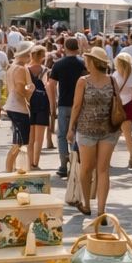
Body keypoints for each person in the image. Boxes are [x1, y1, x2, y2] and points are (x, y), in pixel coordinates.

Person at [68, 46, 120, 217]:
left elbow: (76, 106)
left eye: (87, 60)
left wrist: (70, 128)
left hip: (86, 129)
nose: (85, 62)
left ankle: (87, 204)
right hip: (109, 130)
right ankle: (101, 210)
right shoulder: (112, 81)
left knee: (86, 169)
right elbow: (117, 104)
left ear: (92, 62)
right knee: (103, 170)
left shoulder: (83, 81)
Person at [48, 37, 87, 177]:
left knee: (62, 135)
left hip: (64, 102)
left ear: (64, 47)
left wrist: (52, 103)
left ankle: (64, 164)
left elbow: (51, 84)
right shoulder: (84, 64)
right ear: (77, 47)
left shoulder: (58, 65)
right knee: (78, 134)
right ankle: (76, 161)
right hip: (81, 103)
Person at [4, 41, 36, 171]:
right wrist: (29, 94)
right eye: (29, 55)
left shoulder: (12, 67)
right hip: (18, 107)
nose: (30, 58)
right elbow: (20, 88)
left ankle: (10, 167)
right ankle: (9, 168)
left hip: (13, 105)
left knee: (18, 141)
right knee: (19, 142)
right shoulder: (21, 69)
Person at [113, 52, 132, 169]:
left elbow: (113, 90)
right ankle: (131, 156)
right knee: (128, 134)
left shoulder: (116, 74)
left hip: (117, 105)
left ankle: (107, 157)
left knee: (113, 133)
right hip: (129, 102)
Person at [27, 44, 51, 169]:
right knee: (39, 137)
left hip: (29, 102)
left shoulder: (26, 69)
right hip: (43, 102)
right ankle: (36, 162)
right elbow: (47, 85)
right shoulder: (45, 70)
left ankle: (29, 162)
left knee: (31, 136)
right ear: (42, 56)